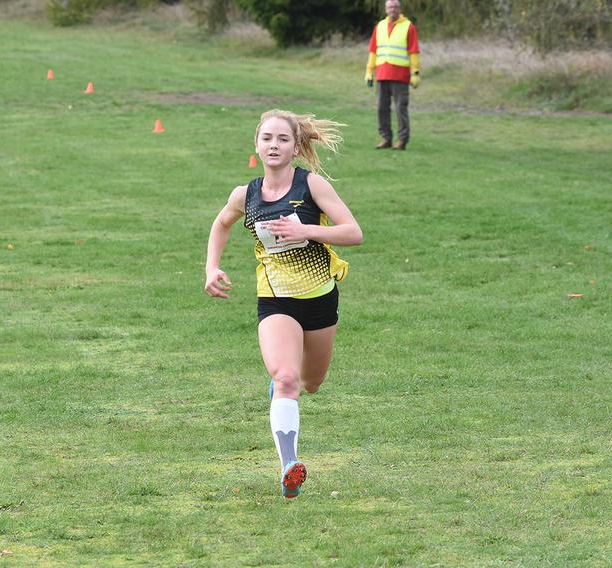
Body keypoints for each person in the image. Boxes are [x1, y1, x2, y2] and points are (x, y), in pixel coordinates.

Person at [204, 110, 363, 499]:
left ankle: (282, 389)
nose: (274, 145)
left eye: (282, 140)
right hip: (275, 302)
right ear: (256, 144)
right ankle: (289, 466)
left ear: (295, 147)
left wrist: (304, 229)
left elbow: (353, 233)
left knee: (310, 382)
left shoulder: (312, 186)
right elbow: (222, 223)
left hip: (320, 299)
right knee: (287, 378)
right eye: (267, 138)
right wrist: (211, 266)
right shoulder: (246, 194)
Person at [365, 0, 421, 150]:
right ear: (385, 9)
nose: (392, 9)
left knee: (400, 108)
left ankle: (402, 140)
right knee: (381, 108)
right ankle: (386, 138)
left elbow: (413, 51)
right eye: (390, 7)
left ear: (400, 9)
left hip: (400, 76)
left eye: (395, 7)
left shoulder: (409, 26)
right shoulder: (380, 26)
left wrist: (415, 73)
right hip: (382, 74)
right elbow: (373, 51)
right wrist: (369, 71)